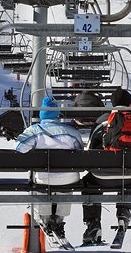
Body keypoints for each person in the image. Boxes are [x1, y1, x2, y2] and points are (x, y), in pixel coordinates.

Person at [81, 88, 131, 245]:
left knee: (88, 183)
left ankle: (93, 224)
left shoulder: (103, 120)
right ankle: (123, 215)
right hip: (129, 176)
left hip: (101, 178)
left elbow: (89, 150)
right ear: (130, 103)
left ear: (112, 104)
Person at [15, 96, 83, 244]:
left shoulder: (34, 130)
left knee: (40, 182)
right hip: (68, 180)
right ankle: (58, 220)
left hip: (43, 179)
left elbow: (19, 148)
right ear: (57, 114)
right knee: (66, 181)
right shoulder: (71, 132)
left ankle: (45, 219)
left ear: (42, 115)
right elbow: (80, 152)